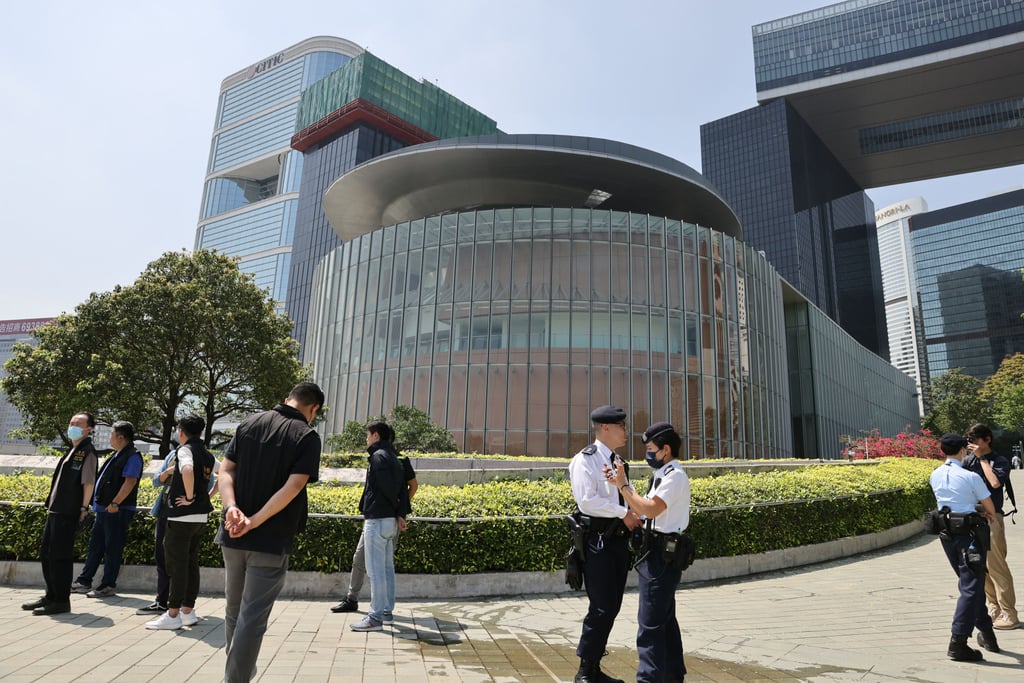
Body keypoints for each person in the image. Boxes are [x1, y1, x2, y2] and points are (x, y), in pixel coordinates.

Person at [216, 382, 324, 683]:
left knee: (234, 613)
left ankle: (235, 675)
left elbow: (224, 471)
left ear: (287, 397)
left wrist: (231, 509)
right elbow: (294, 486)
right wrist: (255, 520)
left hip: (232, 533)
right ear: (313, 408)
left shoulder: (249, 422)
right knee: (252, 618)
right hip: (269, 538)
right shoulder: (306, 436)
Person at [607, 422, 691, 683]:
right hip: (654, 551)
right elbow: (645, 511)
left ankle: (649, 679)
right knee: (664, 621)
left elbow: (651, 509)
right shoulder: (663, 475)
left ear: (666, 450)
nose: (648, 453)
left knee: (650, 625)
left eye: (652, 449)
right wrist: (620, 488)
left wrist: (623, 486)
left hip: (662, 555)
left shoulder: (674, 476)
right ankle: (672, 675)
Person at [568, 405, 642, 683]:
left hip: (618, 543)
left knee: (611, 606)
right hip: (598, 542)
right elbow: (587, 502)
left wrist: (641, 513)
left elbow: (627, 496)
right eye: (622, 426)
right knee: (600, 606)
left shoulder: (619, 461)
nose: (626, 431)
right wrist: (625, 513)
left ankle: (594, 667)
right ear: (606, 428)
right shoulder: (585, 460)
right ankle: (585, 672)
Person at [929, 433, 999, 661]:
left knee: (972, 583)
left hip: (946, 534)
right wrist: (985, 512)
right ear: (962, 451)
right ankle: (958, 642)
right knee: (970, 587)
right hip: (969, 536)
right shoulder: (970, 476)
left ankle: (987, 635)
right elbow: (988, 504)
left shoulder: (935, 475)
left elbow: (950, 502)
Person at [23, 412, 99, 616]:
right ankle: (51, 595)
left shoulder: (87, 452)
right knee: (46, 554)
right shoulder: (72, 450)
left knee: (60, 557)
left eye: (78, 423)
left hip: (69, 511)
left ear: (89, 429)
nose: (72, 426)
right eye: (72, 422)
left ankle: (61, 600)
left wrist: (83, 509)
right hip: (56, 510)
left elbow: (88, 483)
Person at [145, 415, 217, 630]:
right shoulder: (208, 454)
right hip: (199, 518)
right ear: (201, 433)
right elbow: (225, 475)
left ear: (181, 431)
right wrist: (206, 497)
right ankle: (188, 610)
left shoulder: (184, 450)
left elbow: (185, 469)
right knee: (191, 563)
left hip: (181, 517)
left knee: (176, 565)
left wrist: (189, 497)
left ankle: (173, 613)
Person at [332, 434, 417, 615]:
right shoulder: (380, 456)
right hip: (377, 517)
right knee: (360, 558)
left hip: (388, 519)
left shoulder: (398, 458)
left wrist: (399, 511)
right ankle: (353, 598)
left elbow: (412, 485)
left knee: (381, 568)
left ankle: (380, 611)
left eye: (369, 436)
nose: (367, 440)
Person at [71, 420, 143, 598]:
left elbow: (130, 481)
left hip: (117, 510)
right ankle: (84, 580)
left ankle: (108, 584)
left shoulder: (132, 456)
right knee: (95, 546)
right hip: (105, 510)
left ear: (120, 437)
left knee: (113, 548)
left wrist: (115, 503)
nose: (109, 438)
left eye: (111, 434)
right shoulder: (118, 454)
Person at [349, 420, 407, 632]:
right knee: (386, 569)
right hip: (389, 520)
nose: (366, 439)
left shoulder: (378, 457)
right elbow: (401, 489)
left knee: (376, 571)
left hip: (378, 519)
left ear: (375, 435)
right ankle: (386, 612)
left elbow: (388, 489)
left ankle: (375, 617)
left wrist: (391, 510)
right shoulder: (393, 457)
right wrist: (399, 514)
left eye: (367, 435)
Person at [964, 423, 1018, 630]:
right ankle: (993, 607)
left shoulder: (999, 460)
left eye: (975, 439)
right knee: (980, 566)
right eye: (969, 440)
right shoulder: (967, 461)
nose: (972, 444)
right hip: (973, 516)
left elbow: (995, 483)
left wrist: (983, 459)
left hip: (993, 517)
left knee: (997, 566)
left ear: (987, 439)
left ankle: (1009, 613)